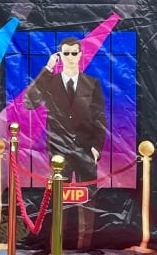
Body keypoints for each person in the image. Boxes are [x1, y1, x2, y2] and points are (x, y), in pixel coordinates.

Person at [23, 37, 107, 183]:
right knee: (58, 195)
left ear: (80, 55)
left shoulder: (92, 83)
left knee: (87, 194)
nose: (70, 57)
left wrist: (96, 148)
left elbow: (99, 117)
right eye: (66, 53)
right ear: (60, 55)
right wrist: (48, 68)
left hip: (86, 149)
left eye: (74, 53)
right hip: (58, 150)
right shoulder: (50, 82)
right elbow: (29, 102)